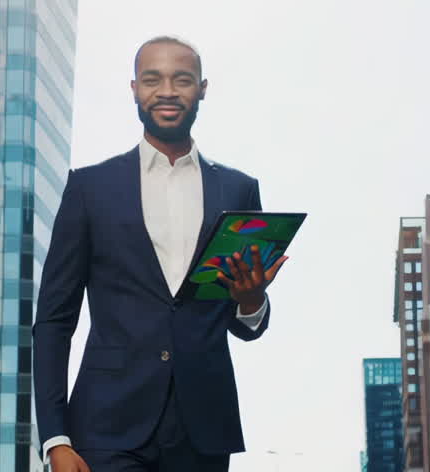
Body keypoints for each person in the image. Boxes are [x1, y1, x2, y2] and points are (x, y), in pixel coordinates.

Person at [33, 36, 287, 472]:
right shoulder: (89, 189)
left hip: (204, 429)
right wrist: (56, 438)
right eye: (152, 80)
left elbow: (244, 325)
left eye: (181, 80)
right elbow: (55, 320)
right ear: (134, 89)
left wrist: (251, 301)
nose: (167, 91)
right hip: (106, 427)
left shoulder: (238, 190)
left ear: (202, 89)